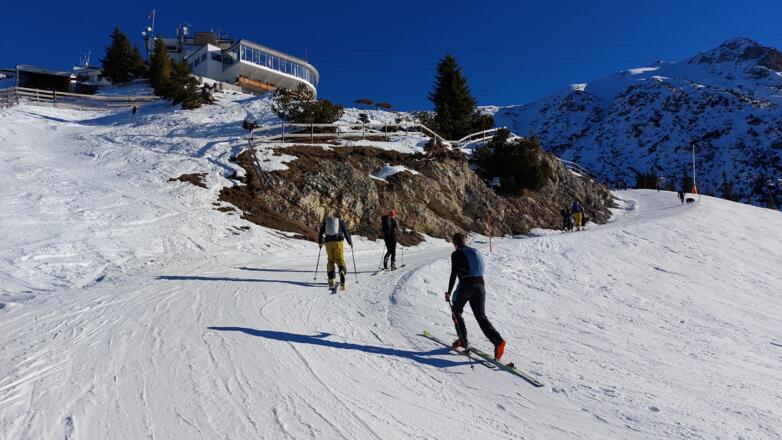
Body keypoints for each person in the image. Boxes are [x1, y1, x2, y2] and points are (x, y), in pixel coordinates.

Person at [445, 232, 506, 360]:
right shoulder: (474, 251)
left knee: (456, 311)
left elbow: (454, 273)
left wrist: (449, 292)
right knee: (481, 316)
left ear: (454, 243)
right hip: (480, 285)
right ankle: (498, 342)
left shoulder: (456, 253)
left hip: (467, 285)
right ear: (464, 241)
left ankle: (463, 340)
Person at [318, 213, 353, 290]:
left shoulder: (327, 222)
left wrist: (320, 243)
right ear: (339, 218)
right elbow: (346, 233)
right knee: (340, 259)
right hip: (338, 242)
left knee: (330, 261)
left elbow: (321, 233)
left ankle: (331, 278)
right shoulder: (341, 222)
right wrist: (350, 242)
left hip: (328, 243)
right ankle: (342, 272)